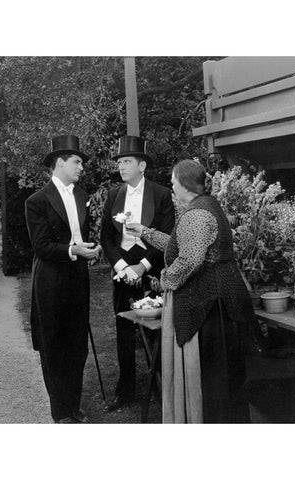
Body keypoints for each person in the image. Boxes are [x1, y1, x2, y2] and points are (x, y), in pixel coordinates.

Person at [126, 159, 257, 423]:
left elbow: (189, 260)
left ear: (185, 185)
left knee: (213, 384)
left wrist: (162, 281)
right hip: (221, 302)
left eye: (173, 183)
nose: (171, 188)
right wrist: (146, 232)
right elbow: (183, 245)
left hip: (209, 307)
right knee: (225, 382)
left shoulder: (196, 214)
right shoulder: (205, 206)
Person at [25, 134, 101, 424]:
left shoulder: (82, 196)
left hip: (78, 279)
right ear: (60, 163)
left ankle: (74, 406)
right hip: (51, 282)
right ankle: (61, 413)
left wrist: (91, 249)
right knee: (54, 345)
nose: (81, 167)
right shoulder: (37, 201)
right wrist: (74, 250)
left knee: (77, 344)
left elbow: (81, 235)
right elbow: (41, 247)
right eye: (77, 162)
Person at [100, 135, 175, 411]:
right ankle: (126, 389)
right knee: (123, 329)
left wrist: (142, 266)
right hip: (122, 269)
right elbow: (106, 237)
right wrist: (121, 267)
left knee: (156, 326)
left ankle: (160, 387)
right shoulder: (113, 195)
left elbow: (167, 236)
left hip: (151, 266)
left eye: (127, 161)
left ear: (142, 166)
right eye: (120, 162)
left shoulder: (161, 194)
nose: (121, 166)